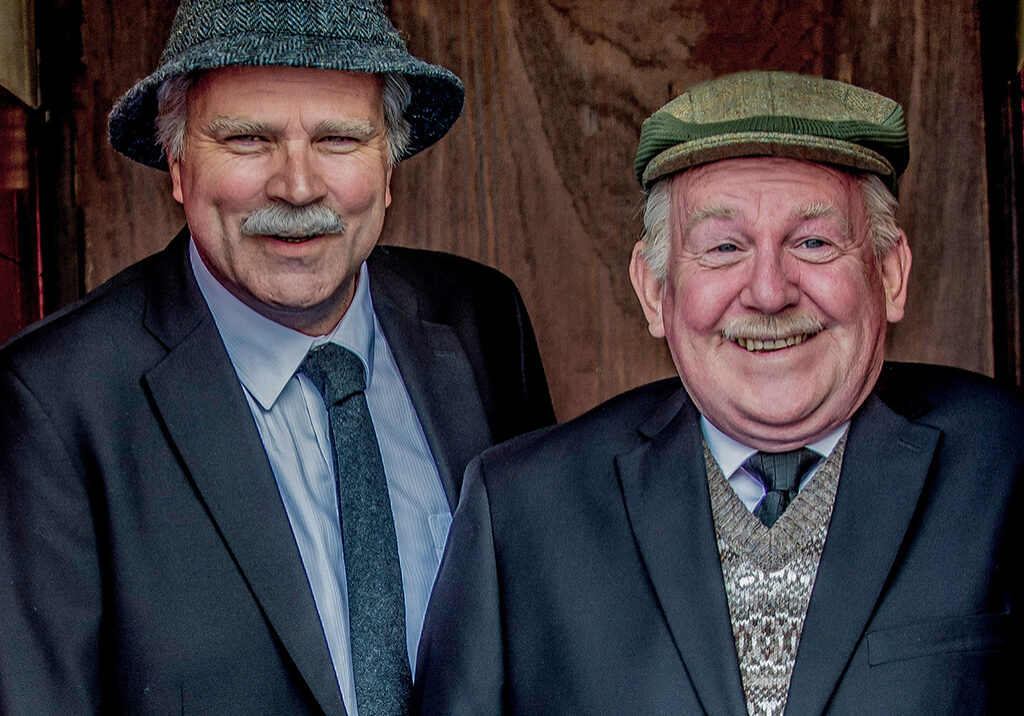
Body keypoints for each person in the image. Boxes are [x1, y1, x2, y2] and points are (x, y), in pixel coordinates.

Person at [0, 0, 554, 713]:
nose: (297, 187)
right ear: (177, 164)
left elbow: (549, 635)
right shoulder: (54, 402)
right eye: (248, 140)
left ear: (388, 167)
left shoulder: (482, 322)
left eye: (338, 140)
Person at [413, 71, 1020, 715]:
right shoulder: (521, 512)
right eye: (724, 247)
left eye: (812, 242)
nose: (768, 291)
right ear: (654, 293)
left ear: (891, 275)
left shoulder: (1010, 467)